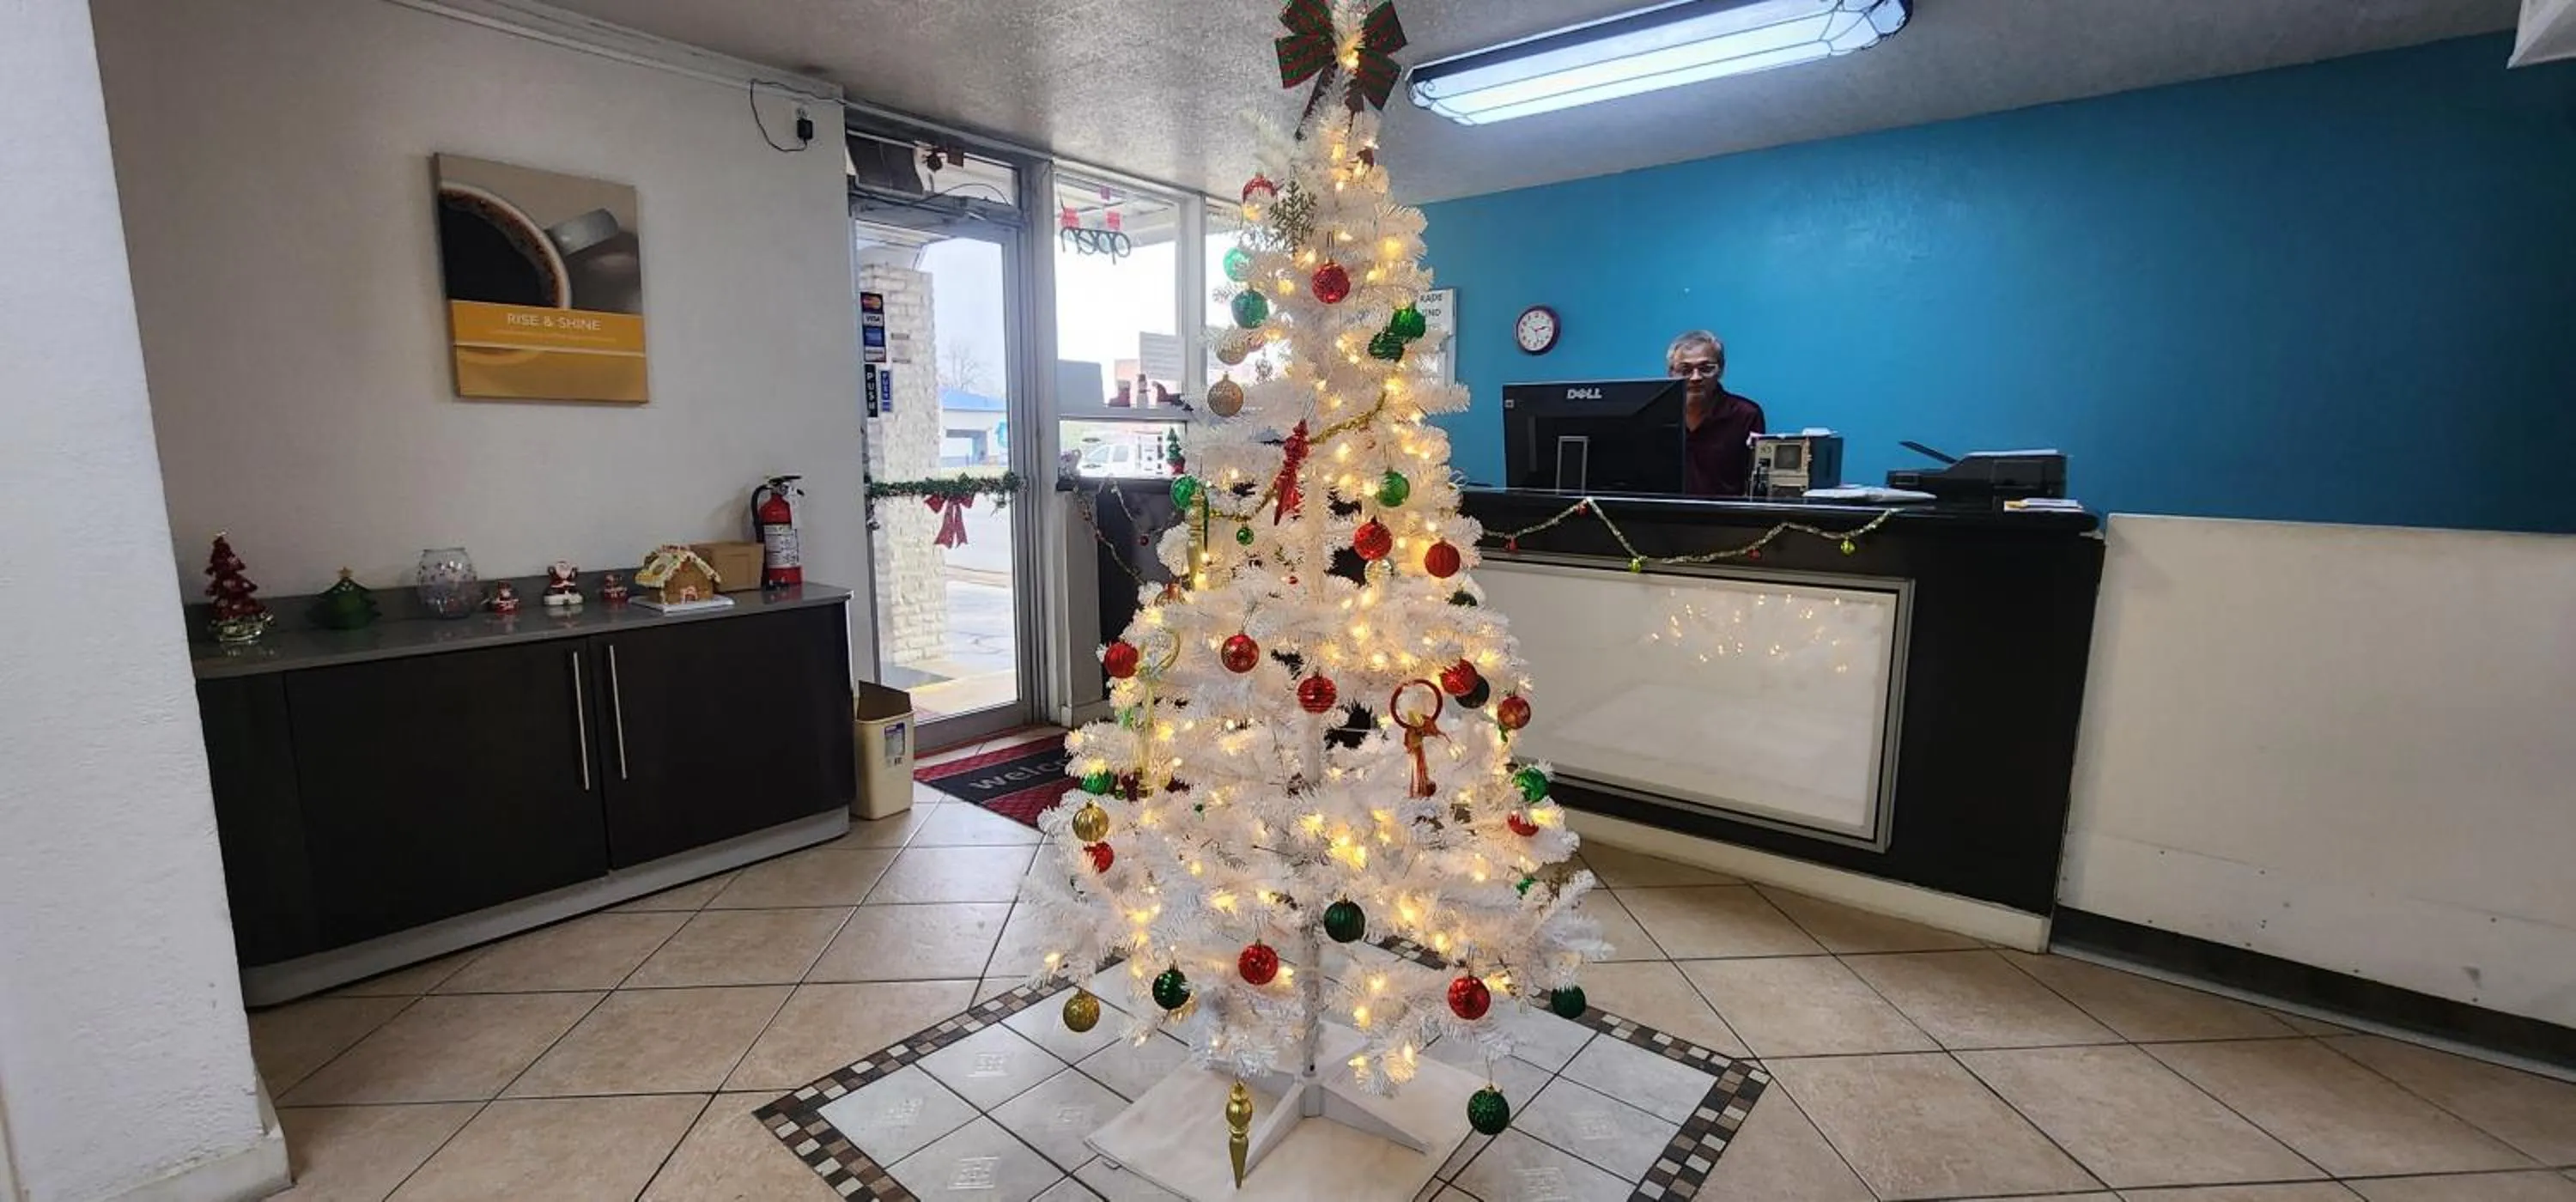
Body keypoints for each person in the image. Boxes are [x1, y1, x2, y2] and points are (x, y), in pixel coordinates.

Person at [1668, 330, 1765, 497]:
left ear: (1721, 370)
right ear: (1671, 373)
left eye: (1706, 368)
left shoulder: (1745, 415)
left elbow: (1755, 486)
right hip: (1662, 516)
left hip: (1727, 518)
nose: (1696, 377)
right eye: (1685, 370)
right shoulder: (1656, 415)